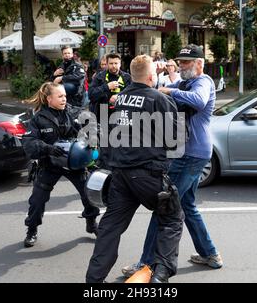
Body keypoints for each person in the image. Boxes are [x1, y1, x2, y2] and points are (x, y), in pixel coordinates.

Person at [122, 44, 223, 278]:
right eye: (180, 61)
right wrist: (153, 79)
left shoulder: (203, 82)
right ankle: (210, 253)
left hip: (190, 155)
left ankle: (145, 265)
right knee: (186, 205)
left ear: (199, 63)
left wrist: (170, 92)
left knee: (163, 206)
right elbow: (160, 87)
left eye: (187, 62)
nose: (182, 65)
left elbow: (198, 100)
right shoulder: (185, 82)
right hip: (190, 153)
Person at [85, 55, 184, 283]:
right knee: (171, 219)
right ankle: (160, 275)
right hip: (148, 174)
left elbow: (110, 133)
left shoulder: (120, 99)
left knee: (110, 228)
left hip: (121, 175)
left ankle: (93, 281)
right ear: (152, 76)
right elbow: (177, 141)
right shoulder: (159, 99)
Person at [22, 82, 100, 248]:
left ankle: (91, 222)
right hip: (49, 164)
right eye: (60, 96)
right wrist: (48, 148)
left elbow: (92, 126)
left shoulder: (73, 112)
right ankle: (32, 229)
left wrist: (92, 138)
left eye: (65, 96)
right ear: (49, 99)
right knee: (37, 200)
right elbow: (29, 144)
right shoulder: (38, 119)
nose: (64, 99)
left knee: (89, 193)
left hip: (74, 163)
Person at [88, 53, 132, 168]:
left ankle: (118, 169)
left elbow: (134, 95)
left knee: (121, 146)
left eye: (116, 63)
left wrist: (119, 97)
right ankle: (104, 171)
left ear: (120, 63)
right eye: (111, 63)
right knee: (105, 148)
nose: (114, 66)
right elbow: (91, 95)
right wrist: (107, 87)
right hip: (103, 114)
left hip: (122, 116)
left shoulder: (127, 77)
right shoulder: (99, 77)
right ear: (106, 64)